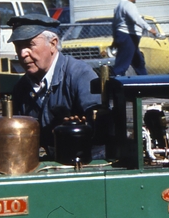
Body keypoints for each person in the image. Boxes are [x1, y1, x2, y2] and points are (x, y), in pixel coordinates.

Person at [8, 15, 102, 154]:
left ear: (53, 44)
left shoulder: (79, 74)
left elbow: (99, 128)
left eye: (30, 45)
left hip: (88, 162)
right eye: (18, 46)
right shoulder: (21, 88)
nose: (22, 54)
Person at [111, 0, 163, 76]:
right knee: (122, 64)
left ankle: (144, 81)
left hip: (124, 36)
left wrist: (115, 38)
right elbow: (136, 19)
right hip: (128, 37)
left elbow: (114, 24)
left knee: (138, 62)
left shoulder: (118, 6)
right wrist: (151, 29)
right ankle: (115, 84)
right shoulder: (128, 5)